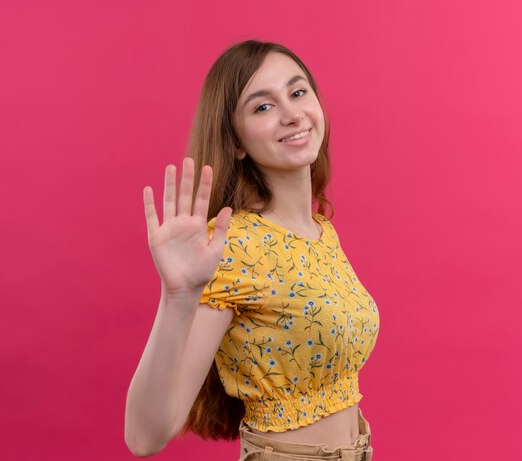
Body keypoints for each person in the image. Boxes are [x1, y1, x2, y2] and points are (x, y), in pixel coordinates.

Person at [125, 40, 380, 460]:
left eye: (298, 92)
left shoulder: (321, 232)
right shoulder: (234, 246)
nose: (292, 113)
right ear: (237, 142)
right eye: (262, 107)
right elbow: (144, 437)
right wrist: (178, 298)